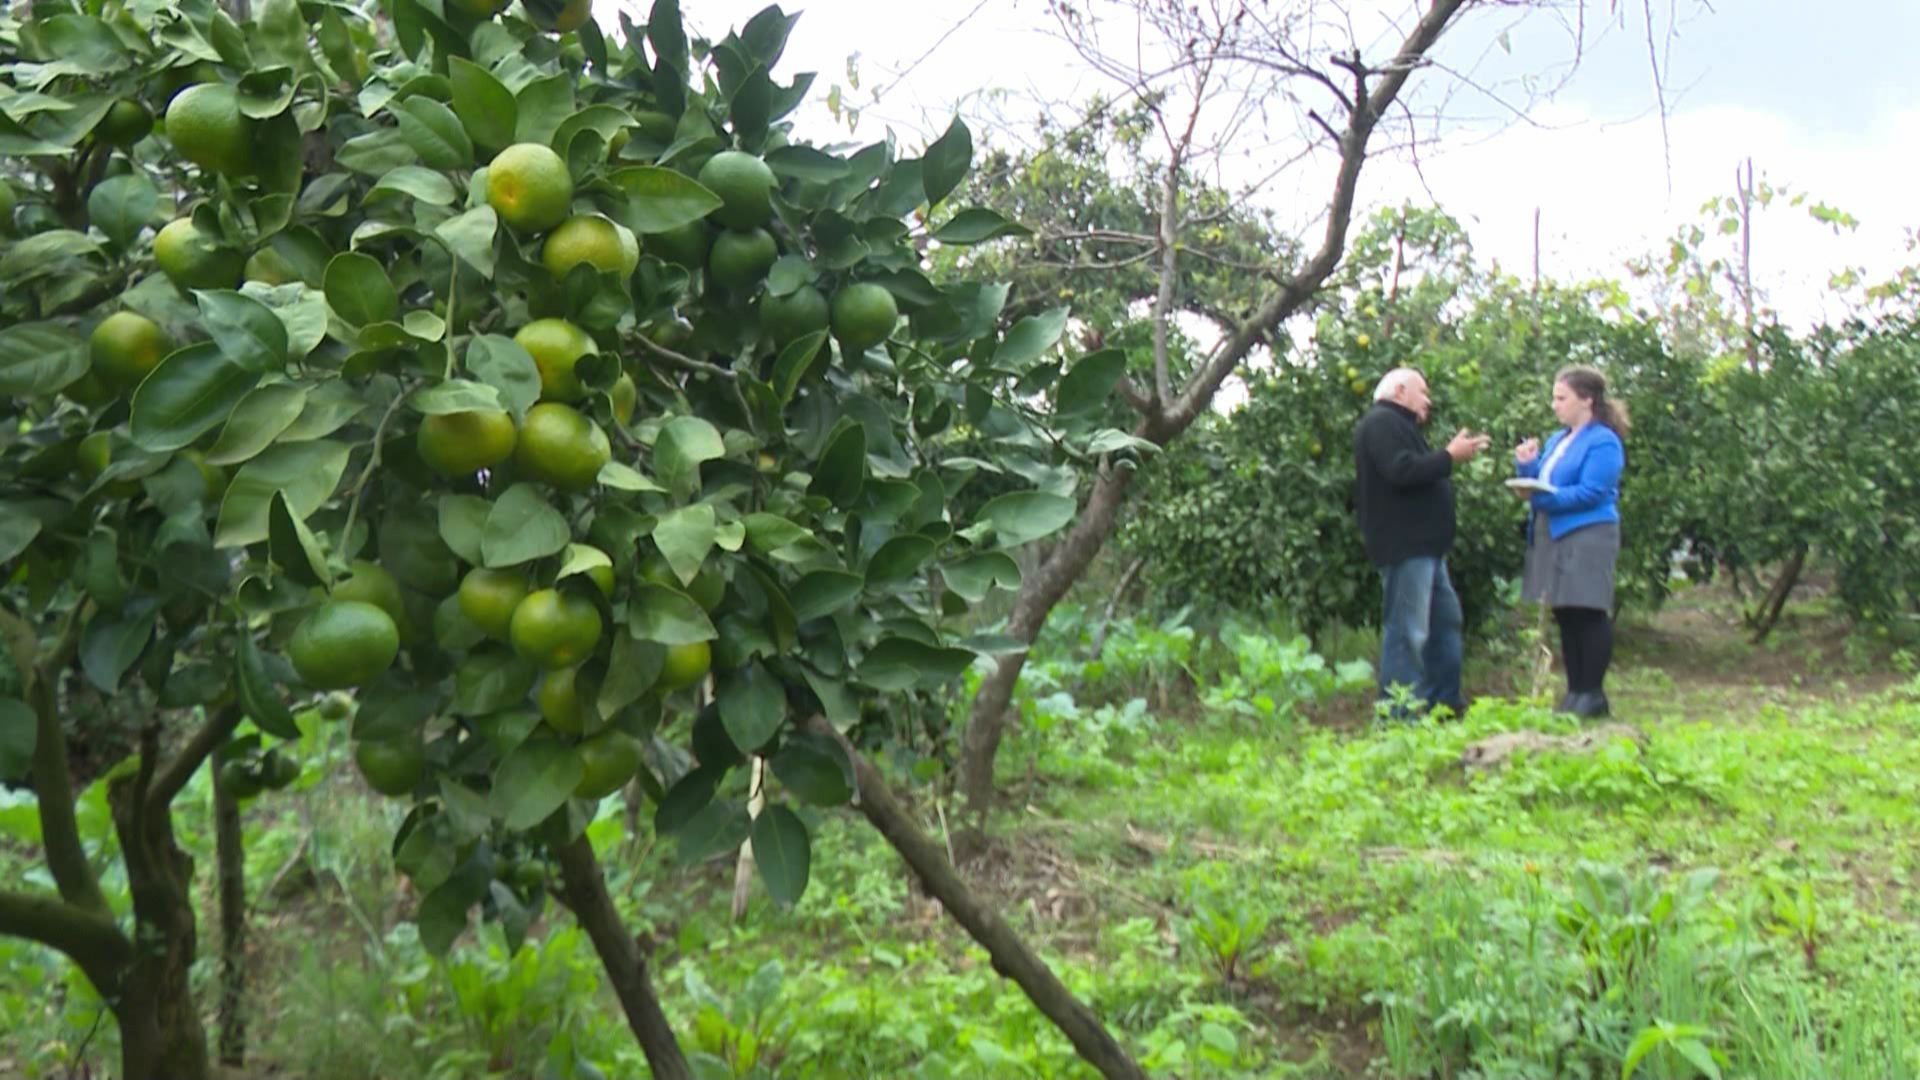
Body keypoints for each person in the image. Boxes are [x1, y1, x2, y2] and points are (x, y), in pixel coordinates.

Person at [1353, 367, 1491, 719]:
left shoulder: (1400, 426)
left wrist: (1447, 458)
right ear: (1400, 391)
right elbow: (1401, 471)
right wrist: (1449, 457)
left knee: (1445, 624)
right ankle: (1398, 716)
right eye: (1423, 392)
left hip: (1426, 550)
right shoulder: (1380, 423)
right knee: (1407, 633)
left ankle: (1442, 706)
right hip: (1405, 547)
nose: (1428, 400)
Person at [1512, 365, 1630, 718]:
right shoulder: (1557, 440)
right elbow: (1544, 481)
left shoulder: (1603, 441)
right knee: (1565, 612)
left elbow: (1593, 491)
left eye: (1561, 398)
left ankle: (1592, 692)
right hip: (1554, 534)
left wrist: (1543, 500)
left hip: (1588, 533)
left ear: (1586, 400)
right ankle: (1575, 691)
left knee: (1588, 610)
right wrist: (1527, 467)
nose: (1555, 405)